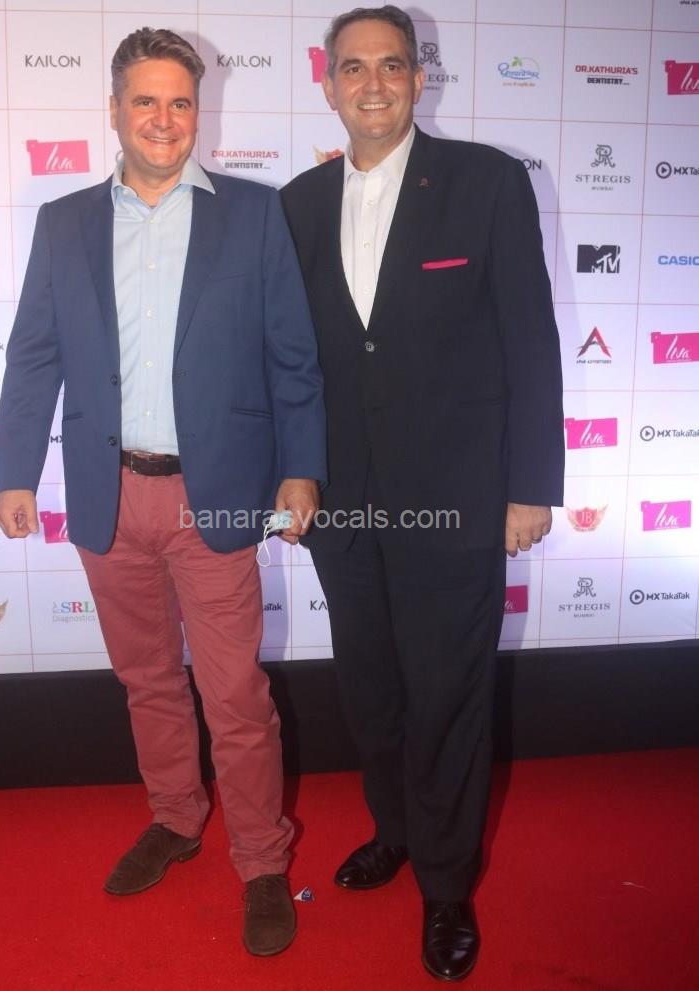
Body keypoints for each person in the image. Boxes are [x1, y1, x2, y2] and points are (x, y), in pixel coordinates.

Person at [0, 27, 326, 958]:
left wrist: (301, 467)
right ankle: (178, 817)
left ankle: (261, 859)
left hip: (212, 494)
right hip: (107, 494)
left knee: (236, 695)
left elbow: (292, 356)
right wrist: (15, 471)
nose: (164, 118)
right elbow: (34, 356)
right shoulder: (63, 221)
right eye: (146, 100)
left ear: (198, 111)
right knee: (146, 680)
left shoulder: (254, 214)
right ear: (114, 110)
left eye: (181, 101)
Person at [281, 5, 563, 982]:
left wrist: (529, 485)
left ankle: (445, 886)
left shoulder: (486, 183)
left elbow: (530, 338)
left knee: (447, 693)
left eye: (391, 65)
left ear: (417, 78)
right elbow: (291, 357)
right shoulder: (298, 203)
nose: (373, 84)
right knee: (371, 688)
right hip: (343, 503)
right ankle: (395, 829)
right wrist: (289, 471)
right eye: (353, 67)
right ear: (327, 83)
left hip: (456, 498)